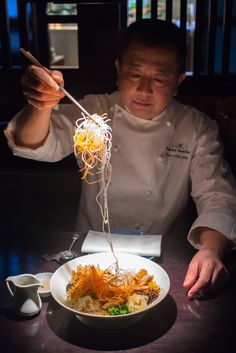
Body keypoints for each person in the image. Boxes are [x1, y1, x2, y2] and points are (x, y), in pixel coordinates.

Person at [4, 19, 236, 298]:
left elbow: (217, 196)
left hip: (163, 258)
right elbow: (35, 142)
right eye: (135, 74)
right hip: (88, 256)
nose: (144, 89)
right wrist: (40, 106)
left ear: (178, 81)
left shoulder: (197, 127)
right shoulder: (93, 110)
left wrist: (211, 249)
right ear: (118, 70)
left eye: (160, 78)